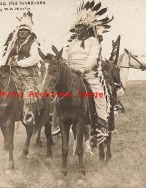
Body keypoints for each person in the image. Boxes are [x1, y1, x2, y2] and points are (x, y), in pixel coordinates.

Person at [59, 1, 114, 147]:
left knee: (99, 95)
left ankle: (101, 126)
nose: (77, 30)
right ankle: (58, 122)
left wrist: (82, 69)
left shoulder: (93, 41)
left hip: (88, 74)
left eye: (80, 27)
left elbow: (92, 59)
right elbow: (66, 57)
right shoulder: (72, 43)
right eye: (76, 27)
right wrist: (66, 68)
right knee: (58, 92)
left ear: (86, 28)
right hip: (72, 75)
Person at [1, 11, 41, 125]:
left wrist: (18, 63)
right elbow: (7, 56)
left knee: (29, 91)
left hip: (28, 73)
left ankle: (29, 114)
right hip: (12, 71)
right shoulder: (14, 43)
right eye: (21, 30)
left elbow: (35, 59)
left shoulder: (33, 44)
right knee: (0, 85)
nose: (22, 32)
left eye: (25, 30)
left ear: (29, 32)